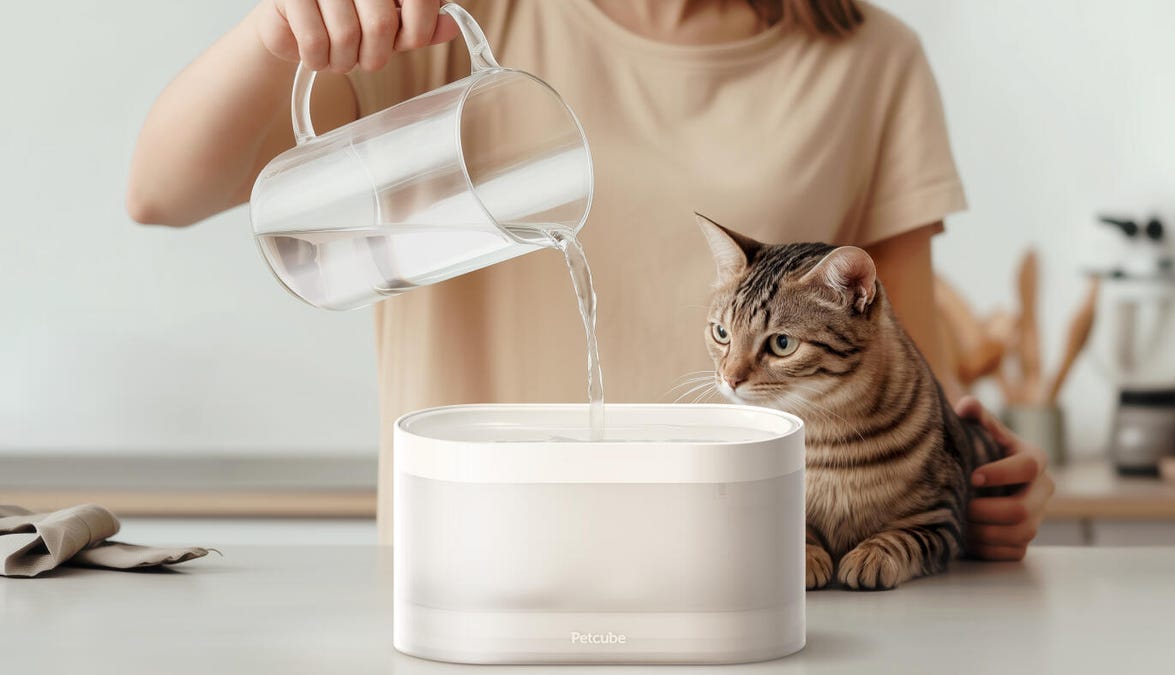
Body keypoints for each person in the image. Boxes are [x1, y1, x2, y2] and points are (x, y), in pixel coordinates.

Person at [128, 0, 1054, 559]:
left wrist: (978, 489)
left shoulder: (874, 60)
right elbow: (162, 192)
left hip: (753, 582)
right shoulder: (445, 24)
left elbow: (910, 377)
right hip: (470, 572)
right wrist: (274, 25)